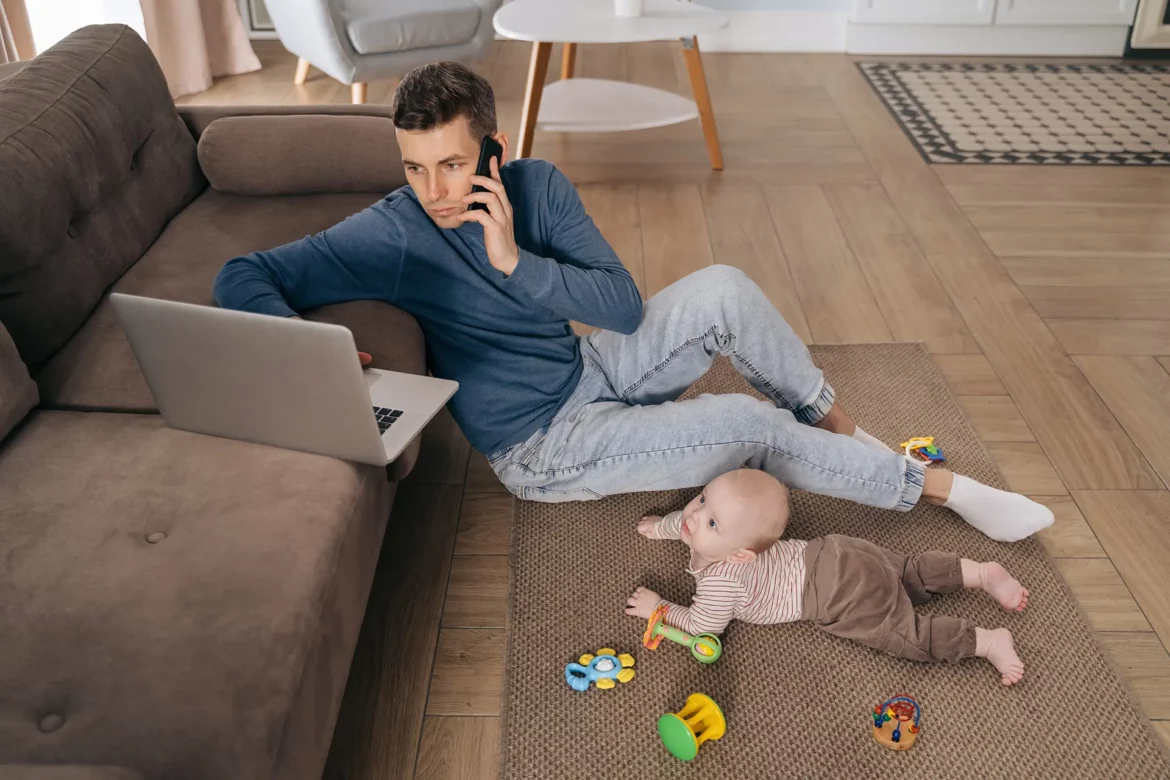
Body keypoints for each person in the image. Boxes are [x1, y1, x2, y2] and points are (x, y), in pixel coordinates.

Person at [213, 61, 1053, 543]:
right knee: (750, 425)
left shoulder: (538, 187)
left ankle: (839, 424)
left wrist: (514, 263)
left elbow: (619, 305)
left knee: (722, 284)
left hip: (591, 364)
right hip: (544, 444)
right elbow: (244, 274)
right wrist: (315, 350)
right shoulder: (392, 233)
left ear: (495, 150)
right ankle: (940, 489)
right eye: (413, 166)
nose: (433, 188)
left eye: (452, 164)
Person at [625, 469, 1027, 686]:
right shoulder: (709, 532)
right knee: (907, 571)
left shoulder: (720, 582)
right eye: (701, 498)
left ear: (740, 555)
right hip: (837, 550)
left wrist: (657, 608)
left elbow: (702, 626)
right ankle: (980, 572)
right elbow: (686, 524)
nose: (693, 515)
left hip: (840, 596)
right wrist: (663, 524)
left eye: (710, 520)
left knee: (907, 634)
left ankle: (987, 641)